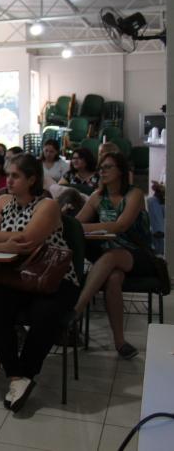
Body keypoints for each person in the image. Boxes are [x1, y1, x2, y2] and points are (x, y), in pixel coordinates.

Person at [0, 153, 76, 412]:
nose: (8, 180)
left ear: (32, 179)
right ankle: (16, 378)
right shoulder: (2, 200)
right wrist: (4, 242)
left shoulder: (47, 205)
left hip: (52, 277)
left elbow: (26, 241)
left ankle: (26, 373)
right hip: (16, 276)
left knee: (45, 313)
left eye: (15, 176)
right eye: (8, 175)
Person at [74, 152, 154, 360]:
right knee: (113, 278)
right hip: (111, 254)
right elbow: (75, 225)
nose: (103, 171)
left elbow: (121, 225)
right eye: (101, 167)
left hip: (138, 254)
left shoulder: (134, 194)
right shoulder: (97, 197)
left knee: (110, 258)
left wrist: (87, 227)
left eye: (108, 167)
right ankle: (120, 342)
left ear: (120, 171)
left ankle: (76, 310)